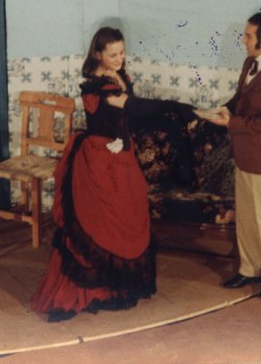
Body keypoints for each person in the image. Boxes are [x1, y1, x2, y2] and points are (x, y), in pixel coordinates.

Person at [31, 27, 196, 321]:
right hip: (99, 160)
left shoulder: (118, 76)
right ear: (98, 54)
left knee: (126, 219)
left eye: (122, 52)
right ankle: (78, 295)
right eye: (112, 54)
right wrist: (177, 108)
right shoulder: (99, 86)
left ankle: (114, 290)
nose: (119, 58)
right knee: (99, 225)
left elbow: (129, 116)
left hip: (120, 157)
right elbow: (132, 106)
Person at [207, 12, 261, 299]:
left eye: (248, 36)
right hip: (245, 152)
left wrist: (231, 123)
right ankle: (249, 269)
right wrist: (225, 109)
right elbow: (241, 100)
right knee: (246, 216)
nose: (243, 40)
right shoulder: (250, 63)